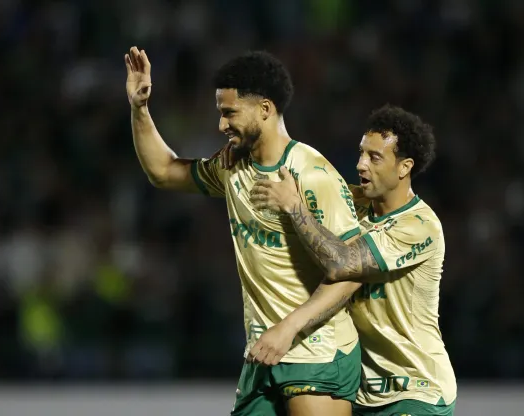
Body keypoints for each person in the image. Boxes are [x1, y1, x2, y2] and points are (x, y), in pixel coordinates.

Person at [124, 46, 364, 416]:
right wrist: (140, 109)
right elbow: (163, 171)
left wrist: (288, 328)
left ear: (265, 110)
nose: (221, 125)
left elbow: (352, 271)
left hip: (317, 350)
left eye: (229, 112)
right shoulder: (232, 167)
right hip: (263, 352)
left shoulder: (314, 175)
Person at [247, 105, 458, 415]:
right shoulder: (355, 205)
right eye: (361, 153)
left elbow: (341, 264)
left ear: (404, 167)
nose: (361, 165)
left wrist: (294, 206)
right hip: (363, 394)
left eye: (374, 158)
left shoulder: (419, 225)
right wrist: (239, 151)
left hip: (416, 389)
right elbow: (302, 176)